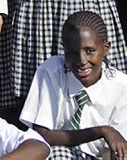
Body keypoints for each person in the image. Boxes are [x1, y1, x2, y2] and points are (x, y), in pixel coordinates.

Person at [21, 11, 127, 158]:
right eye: (72, 53)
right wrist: (102, 131)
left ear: (106, 49)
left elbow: (116, 149)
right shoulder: (51, 71)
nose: (81, 61)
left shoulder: (121, 86)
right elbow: (41, 136)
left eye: (89, 51)